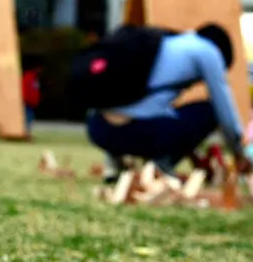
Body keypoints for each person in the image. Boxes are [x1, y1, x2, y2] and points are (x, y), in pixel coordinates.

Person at [76, 23, 252, 183]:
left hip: (97, 128)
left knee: (126, 101)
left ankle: (114, 166)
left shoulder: (162, 40)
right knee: (210, 110)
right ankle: (160, 166)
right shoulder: (207, 51)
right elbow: (225, 113)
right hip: (136, 132)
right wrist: (239, 154)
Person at [21, 55, 43, 137]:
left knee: (30, 119)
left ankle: (27, 133)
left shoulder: (34, 78)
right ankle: (26, 133)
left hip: (32, 103)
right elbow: (26, 90)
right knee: (27, 119)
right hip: (28, 103)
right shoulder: (29, 77)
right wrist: (26, 99)